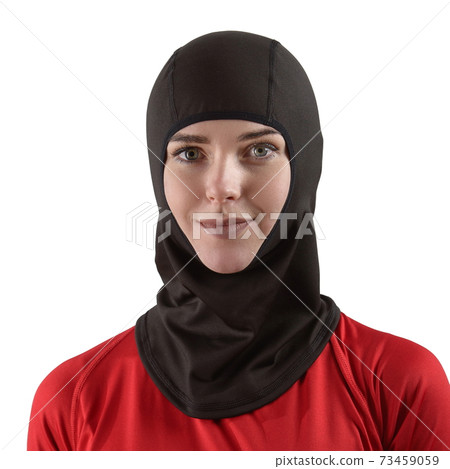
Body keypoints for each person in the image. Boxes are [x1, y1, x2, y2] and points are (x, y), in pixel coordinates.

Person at [27, 30, 449, 451]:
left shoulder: (396, 386)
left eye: (260, 150)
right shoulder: (72, 402)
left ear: (305, 167)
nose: (220, 187)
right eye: (190, 154)